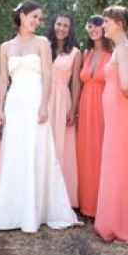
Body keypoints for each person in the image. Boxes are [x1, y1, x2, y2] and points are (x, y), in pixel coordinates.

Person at [0, 0, 80, 232]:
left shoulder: (42, 43)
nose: (38, 22)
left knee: (37, 151)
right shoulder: (5, 47)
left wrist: (44, 105)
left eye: (39, 18)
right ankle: (12, 211)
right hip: (15, 102)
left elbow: (48, 74)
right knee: (15, 151)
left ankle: (37, 210)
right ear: (22, 16)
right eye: (34, 17)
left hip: (35, 100)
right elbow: (2, 79)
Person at [94, 5, 128, 243]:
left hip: (121, 111)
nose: (104, 26)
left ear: (119, 23)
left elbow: (125, 84)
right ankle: (114, 220)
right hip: (117, 111)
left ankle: (123, 223)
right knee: (117, 162)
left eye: (107, 22)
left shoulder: (124, 49)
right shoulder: (120, 49)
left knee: (121, 163)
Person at [76, 15, 112, 217]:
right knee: (85, 152)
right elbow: (81, 83)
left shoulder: (112, 53)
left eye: (97, 25)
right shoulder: (86, 53)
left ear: (105, 28)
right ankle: (86, 203)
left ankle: (101, 204)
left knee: (101, 151)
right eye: (90, 25)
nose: (93, 29)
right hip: (86, 106)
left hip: (104, 106)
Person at [47, 11, 81, 207]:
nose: (61, 28)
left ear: (70, 29)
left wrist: (73, 110)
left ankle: (60, 199)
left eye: (66, 25)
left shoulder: (75, 53)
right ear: (53, 25)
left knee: (60, 145)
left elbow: (76, 83)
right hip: (43, 98)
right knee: (44, 144)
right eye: (59, 24)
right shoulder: (42, 46)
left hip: (62, 99)